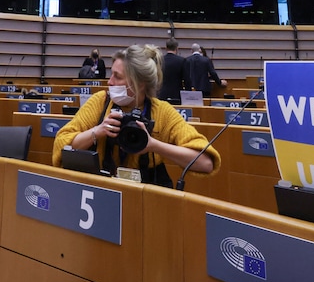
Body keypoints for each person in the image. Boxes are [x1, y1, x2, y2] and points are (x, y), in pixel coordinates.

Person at [52, 44, 220, 186]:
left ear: (140, 84)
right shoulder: (100, 102)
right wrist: (97, 131)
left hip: (146, 198)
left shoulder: (162, 112)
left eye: (117, 77)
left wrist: (154, 145)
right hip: (101, 191)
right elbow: (61, 145)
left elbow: (205, 163)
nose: (110, 82)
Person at [157, 37, 186, 104]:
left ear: (166, 48)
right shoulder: (182, 61)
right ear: (177, 48)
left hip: (162, 94)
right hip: (177, 95)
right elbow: (187, 80)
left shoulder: (160, 60)